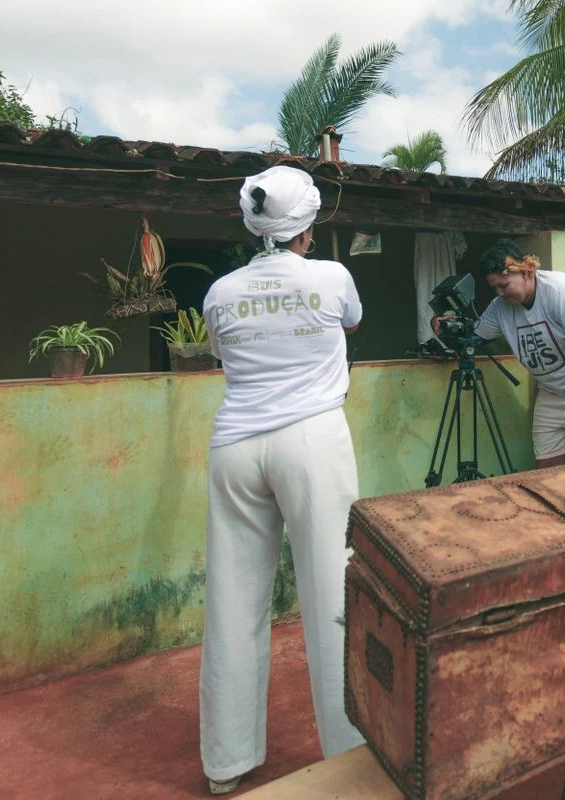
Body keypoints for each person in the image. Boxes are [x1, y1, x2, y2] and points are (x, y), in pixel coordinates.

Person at [199, 165, 365, 795]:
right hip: (312, 440)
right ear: (310, 224)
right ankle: (350, 750)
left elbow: (223, 353)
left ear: (251, 223)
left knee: (233, 597)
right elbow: (350, 322)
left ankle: (226, 763)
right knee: (333, 592)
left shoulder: (219, 292)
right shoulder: (332, 277)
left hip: (235, 444)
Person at [436, 238, 565, 468]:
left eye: (504, 285)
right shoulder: (500, 308)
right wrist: (443, 326)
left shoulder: (562, 291)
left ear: (526, 272)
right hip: (552, 394)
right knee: (547, 476)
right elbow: (473, 338)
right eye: (494, 287)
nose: (499, 293)